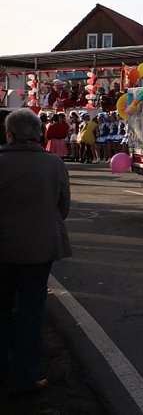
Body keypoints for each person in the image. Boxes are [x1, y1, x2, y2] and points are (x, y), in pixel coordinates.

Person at [0, 108, 72, 396]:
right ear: (39, 134)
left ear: (9, 135)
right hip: (39, 249)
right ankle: (24, 378)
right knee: (31, 312)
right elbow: (63, 206)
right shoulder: (54, 164)